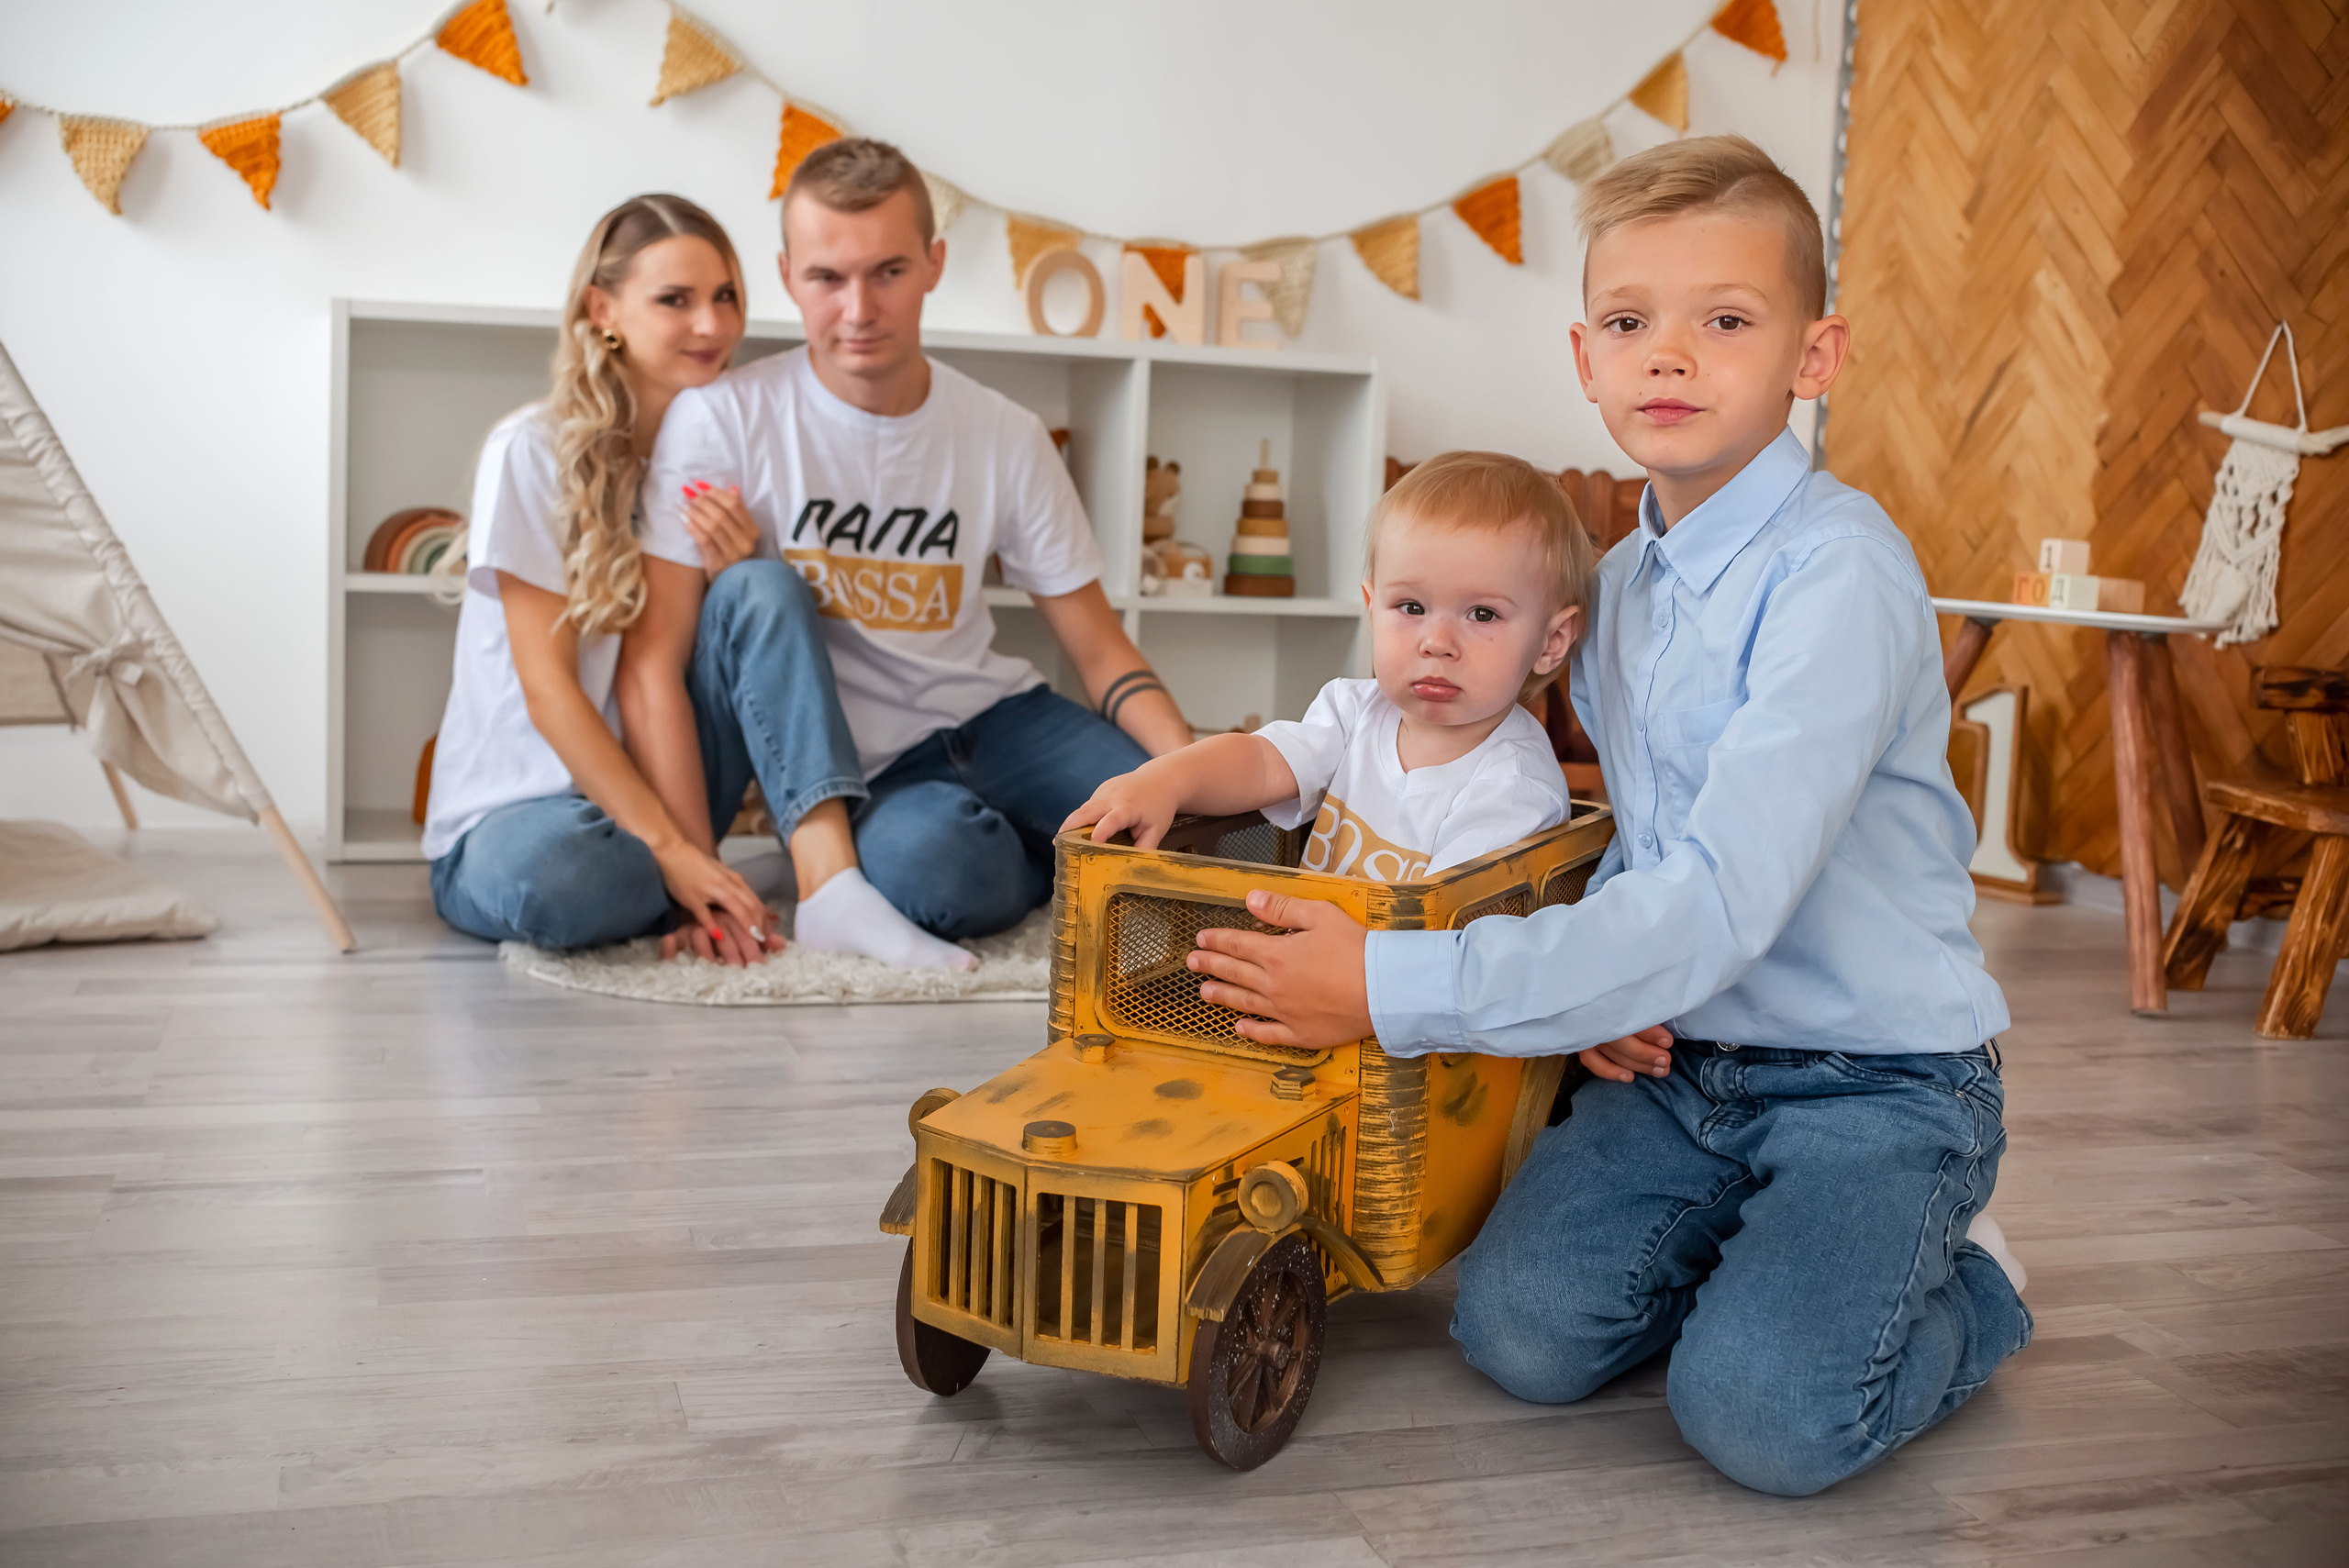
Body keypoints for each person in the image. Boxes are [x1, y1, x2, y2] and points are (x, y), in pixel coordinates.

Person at [1177, 135, 2030, 1497]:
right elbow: (1638, 830)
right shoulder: (1619, 586)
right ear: (1586, 359)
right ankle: (1779, 1252)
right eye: (1632, 323)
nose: (1670, 358)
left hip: (1873, 1074)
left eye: (1727, 322)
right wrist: (1598, 988)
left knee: (1762, 1420)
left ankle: (1969, 1277)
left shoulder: (1840, 579)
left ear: (1815, 358)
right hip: (1683, 1062)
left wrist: (1391, 982)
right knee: (1513, 1332)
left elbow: (1720, 897)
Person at [640, 139, 1193, 940]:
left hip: (1004, 717)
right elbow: (667, 656)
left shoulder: (1006, 433)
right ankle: (1039, 858)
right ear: (789, 273)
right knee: (948, 873)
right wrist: (694, 867)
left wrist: (1184, 771)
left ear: (933, 264)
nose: (859, 310)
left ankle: (1062, 845)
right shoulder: (723, 419)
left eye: (888, 272)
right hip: (873, 767)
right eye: (828, 278)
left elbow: (1101, 649)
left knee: (1184, 822)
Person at [424, 194, 974, 971]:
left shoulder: (723, 449)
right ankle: (697, 878)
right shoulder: (533, 449)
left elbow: (685, 672)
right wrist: (671, 853)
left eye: (725, 297)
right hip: (526, 810)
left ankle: (818, 881)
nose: (713, 326)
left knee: (762, 588)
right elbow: (549, 693)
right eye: (675, 300)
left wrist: (732, 582)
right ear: (603, 309)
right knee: (562, 874)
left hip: (671, 790)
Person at [1063, 451, 1590, 879]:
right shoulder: (1355, 711)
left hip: (1396, 999)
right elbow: (1262, 763)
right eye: (1411, 608)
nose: (1437, 642)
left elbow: (1447, 947)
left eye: (1482, 613)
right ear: (1371, 606)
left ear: (1551, 640)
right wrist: (1166, 781)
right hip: (1309, 971)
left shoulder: (1513, 786)